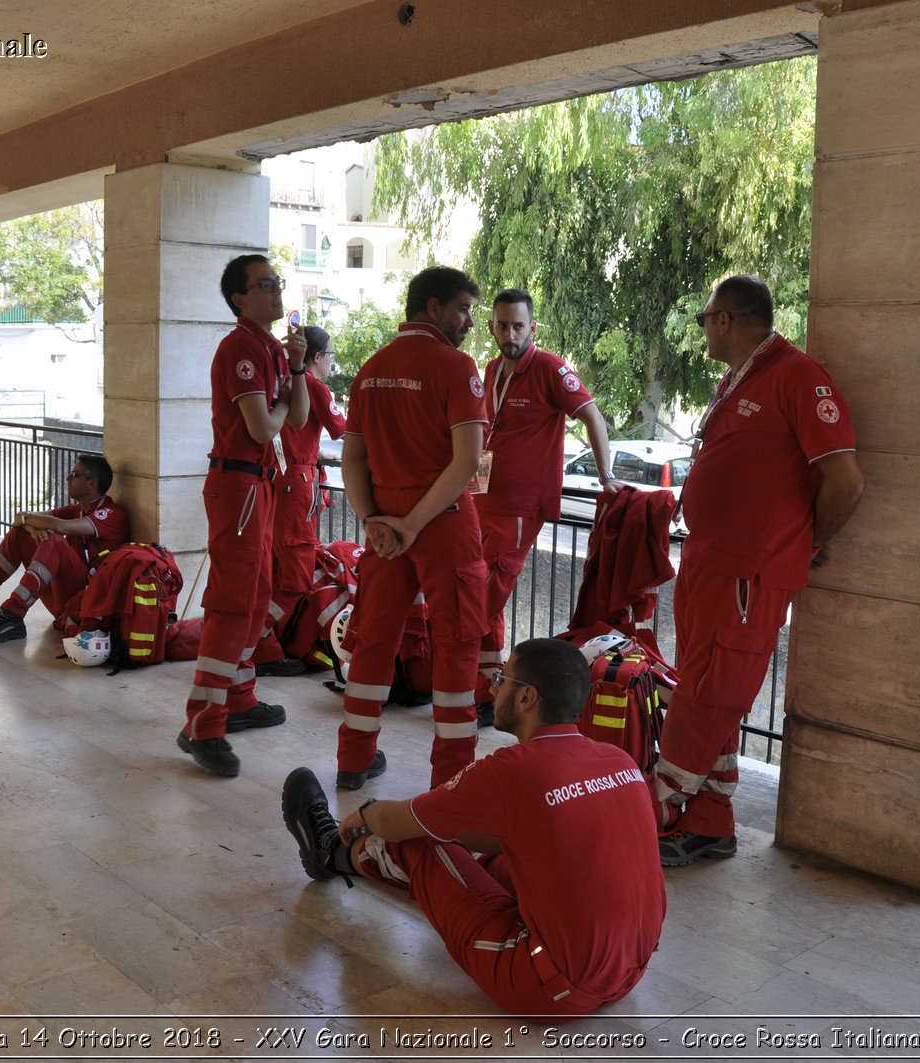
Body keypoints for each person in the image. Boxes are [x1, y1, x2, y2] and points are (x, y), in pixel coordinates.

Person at [282, 637, 665, 1020]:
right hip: (631, 972)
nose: (492, 688)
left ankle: (331, 854)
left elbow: (398, 823)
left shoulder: (513, 769)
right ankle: (413, 878)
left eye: (502, 679)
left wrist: (365, 813)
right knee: (506, 853)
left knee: (420, 844)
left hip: (550, 989)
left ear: (527, 697)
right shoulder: (619, 760)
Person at [653, 275, 864, 866]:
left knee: (709, 690)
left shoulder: (797, 378)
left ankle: (656, 810)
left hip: (749, 569)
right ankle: (710, 823)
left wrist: (808, 540)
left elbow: (845, 480)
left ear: (724, 320)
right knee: (704, 686)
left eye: (705, 318)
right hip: (709, 558)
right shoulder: (742, 376)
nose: (703, 329)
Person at [337, 266, 489, 791]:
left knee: (375, 639)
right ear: (434, 308)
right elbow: (466, 462)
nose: (470, 321)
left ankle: (354, 758)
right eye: (464, 309)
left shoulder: (370, 370)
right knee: (458, 642)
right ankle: (453, 777)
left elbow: (351, 460)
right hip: (441, 520)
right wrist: (410, 524)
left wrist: (375, 522)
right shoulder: (456, 367)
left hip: (384, 525)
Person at [176, 254, 308, 778]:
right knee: (234, 601)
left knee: (257, 594)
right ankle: (201, 724)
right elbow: (263, 427)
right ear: (239, 298)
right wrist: (277, 410)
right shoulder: (239, 348)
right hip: (238, 485)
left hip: (260, 485)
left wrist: (297, 367)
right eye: (265, 285)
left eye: (278, 284)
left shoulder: (273, 350)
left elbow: (295, 417)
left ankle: (240, 698)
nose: (276, 292)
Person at [473, 289, 622, 725]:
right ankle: (486, 692)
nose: (510, 333)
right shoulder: (490, 370)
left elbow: (593, 415)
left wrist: (605, 475)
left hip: (520, 507)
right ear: (492, 327)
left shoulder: (551, 368)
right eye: (502, 325)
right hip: (484, 499)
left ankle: (463, 689)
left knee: (479, 600)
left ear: (532, 328)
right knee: (485, 600)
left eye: (518, 325)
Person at [0, 453, 129, 645]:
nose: (68, 478)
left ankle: (13, 615)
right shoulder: (76, 510)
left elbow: (60, 526)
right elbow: (19, 518)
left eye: (75, 474)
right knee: (21, 534)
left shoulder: (111, 514)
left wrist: (30, 522)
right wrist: (30, 527)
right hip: (65, 596)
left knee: (55, 541)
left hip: (84, 602)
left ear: (92, 483)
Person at [258, 326, 347, 677]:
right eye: (330, 355)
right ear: (315, 357)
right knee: (296, 575)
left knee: (279, 570)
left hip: (281, 478)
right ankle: (256, 640)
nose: (331, 362)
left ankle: (262, 641)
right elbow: (344, 429)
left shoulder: (283, 380)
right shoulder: (313, 385)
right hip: (297, 483)